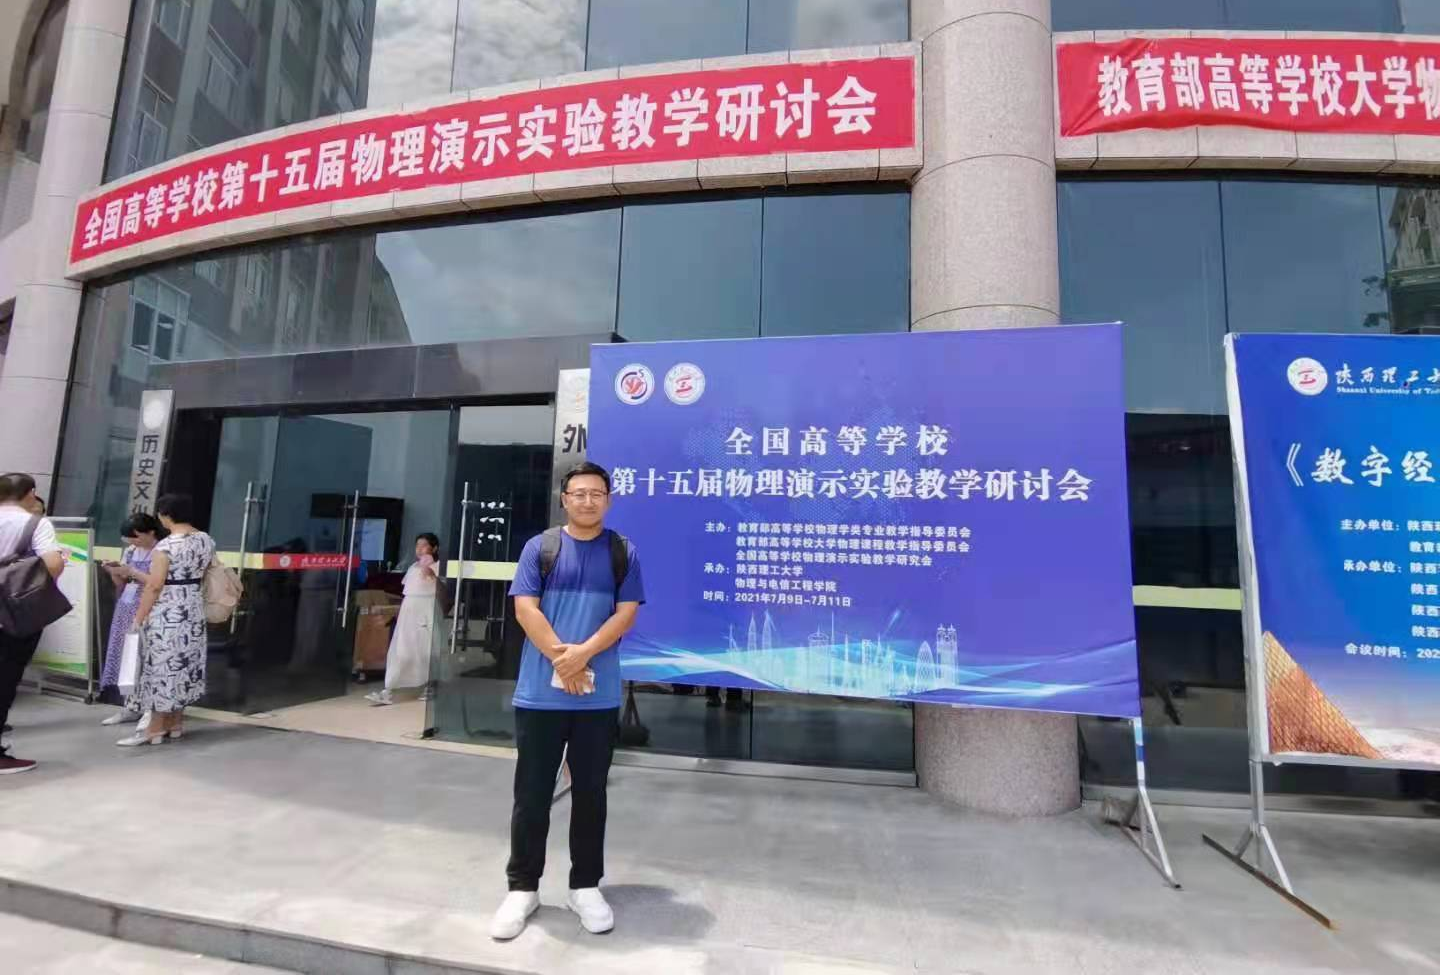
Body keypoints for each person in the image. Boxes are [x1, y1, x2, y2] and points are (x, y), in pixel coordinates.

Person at [490, 461, 644, 941]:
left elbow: (625, 614)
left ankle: (585, 886)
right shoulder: (540, 548)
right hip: (540, 696)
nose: (587, 500)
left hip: (597, 700)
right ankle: (523, 887)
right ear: (565, 499)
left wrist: (582, 656)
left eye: (597, 493)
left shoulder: (622, 552)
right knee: (532, 794)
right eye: (579, 493)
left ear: (608, 499)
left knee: (591, 794)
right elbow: (525, 609)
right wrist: (565, 661)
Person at [118, 493, 215, 747]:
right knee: (184, 666)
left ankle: (154, 730)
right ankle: (175, 724)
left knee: (161, 668)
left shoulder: (166, 547)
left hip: (167, 613)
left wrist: (139, 617)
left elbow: (154, 586)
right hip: (192, 610)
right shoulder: (205, 540)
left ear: (165, 515)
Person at [0, 473, 65, 774]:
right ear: (30, 493)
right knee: (5, 678)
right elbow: (53, 564)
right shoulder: (35, 523)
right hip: (14, 614)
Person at [98, 513, 165, 726]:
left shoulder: (162, 551)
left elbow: (158, 582)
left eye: (136, 536)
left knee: (144, 657)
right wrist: (114, 571)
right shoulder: (130, 551)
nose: (133, 541)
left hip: (148, 606)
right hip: (126, 605)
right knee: (126, 656)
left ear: (151, 532)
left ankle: (147, 707)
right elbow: (121, 584)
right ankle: (130, 705)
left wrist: (132, 571)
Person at [367, 532, 442, 707]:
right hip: (408, 611)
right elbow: (407, 592)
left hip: (425, 610)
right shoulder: (413, 567)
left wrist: (428, 566)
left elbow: (435, 581)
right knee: (400, 650)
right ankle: (388, 690)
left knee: (424, 649)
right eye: (417, 546)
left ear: (434, 548)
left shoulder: (437, 566)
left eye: (424, 545)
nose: (420, 549)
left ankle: (429, 685)